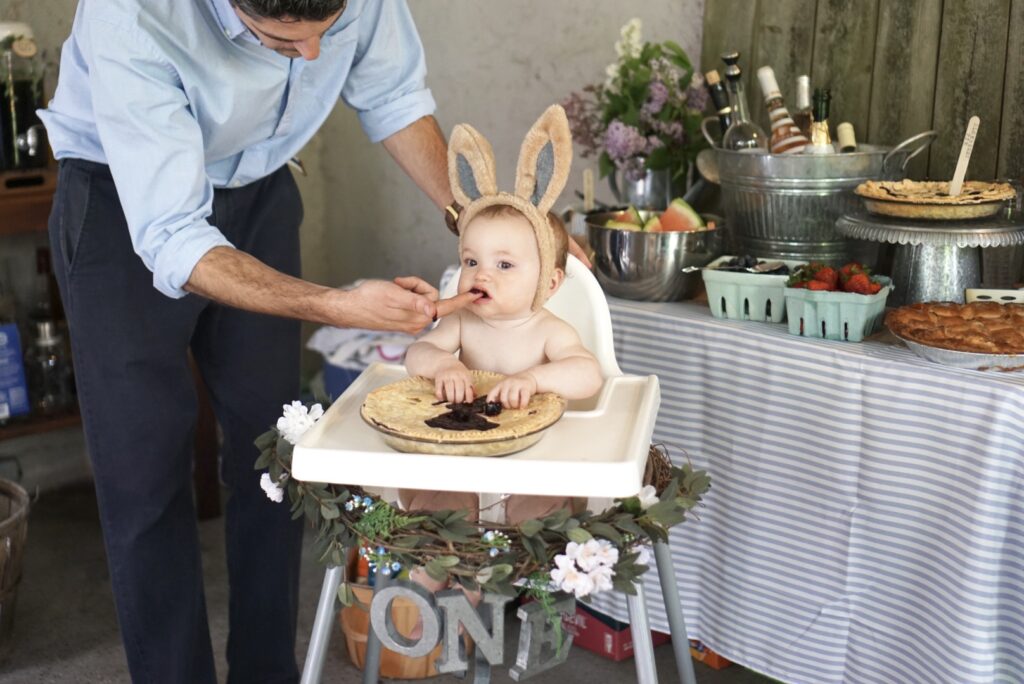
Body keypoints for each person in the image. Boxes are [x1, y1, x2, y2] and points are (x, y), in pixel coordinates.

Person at [36, 1, 489, 682]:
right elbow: (176, 238)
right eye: (282, 40)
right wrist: (335, 304)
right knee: (144, 473)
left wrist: (481, 219)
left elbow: (392, 93)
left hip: (259, 183)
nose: (312, 58)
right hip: (123, 195)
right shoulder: (130, 16)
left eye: (325, 34)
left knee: (277, 457)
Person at [402, 105, 604, 525]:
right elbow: (416, 354)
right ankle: (446, 578)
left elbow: (588, 375)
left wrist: (534, 379)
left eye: (505, 266)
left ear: (549, 284)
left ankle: (527, 578)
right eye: (471, 262)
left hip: (536, 457)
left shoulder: (548, 331)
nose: (482, 275)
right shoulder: (461, 322)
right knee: (433, 498)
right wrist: (443, 364)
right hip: (460, 447)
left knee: (540, 506)